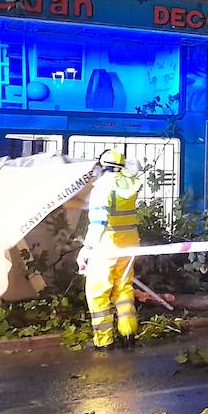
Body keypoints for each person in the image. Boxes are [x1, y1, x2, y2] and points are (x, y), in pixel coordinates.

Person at [77, 149, 142, 351]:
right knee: (123, 288)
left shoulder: (103, 188)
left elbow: (99, 222)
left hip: (106, 245)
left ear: (101, 166)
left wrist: (86, 248)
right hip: (130, 244)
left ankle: (104, 341)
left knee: (98, 293)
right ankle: (128, 332)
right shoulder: (128, 184)